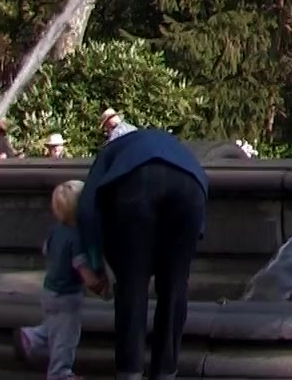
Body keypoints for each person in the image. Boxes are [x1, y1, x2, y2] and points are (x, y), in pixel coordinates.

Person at [79, 113, 210, 380]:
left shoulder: (112, 151)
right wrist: (191, 237)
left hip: (136, 184)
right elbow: (200, 183)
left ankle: (130, 371)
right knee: (175, 286)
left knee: (132, 285)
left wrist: (95, 264)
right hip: (191, 188)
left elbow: (86, 210)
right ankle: (166, 371)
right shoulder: (173, 145)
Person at [15, 180, 105, 380]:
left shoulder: (55, 230)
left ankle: (31, 336)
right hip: (68, 295)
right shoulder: (77, 238)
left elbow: (46, 250)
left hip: (49, 290)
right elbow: (84, 271)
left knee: (55, 326)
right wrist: (99, 286)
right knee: (66, 338)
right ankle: (60, 373)